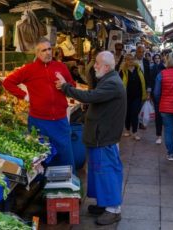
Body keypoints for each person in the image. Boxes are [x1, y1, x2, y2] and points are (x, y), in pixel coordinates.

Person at [55, 51, 126, 226]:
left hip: (105, 137)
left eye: (97, 64)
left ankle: (113, 210)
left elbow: (90, 96)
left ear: (107, 67)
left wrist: (66, 88)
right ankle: (104, 204)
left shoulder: (112, 84)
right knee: (99, 171)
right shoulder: (108, 79)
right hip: (99, 136)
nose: (94, 67)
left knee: (107, 172)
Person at [3, 37, 76, 171]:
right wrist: (24, 96)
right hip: (39, 123)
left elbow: (73, 86)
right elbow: (7, 82)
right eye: (43, 50)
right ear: (36, 53)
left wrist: (65, 84)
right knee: (42, 159)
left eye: (49, 49)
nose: (48, 53)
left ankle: (67, 188)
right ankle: (43, 188)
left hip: (60, 121)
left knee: (66, 157)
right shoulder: (29, 69)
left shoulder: (61, 67)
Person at [120, 53, 148, 140]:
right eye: (128, 59)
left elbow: (143, 82)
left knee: (134, 113)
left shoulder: (138, 69)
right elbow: (119, 84)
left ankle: (135, 132)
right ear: (125, 61)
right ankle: (127, 130)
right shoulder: (123, 71)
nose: (130, 61)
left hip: (137, 96)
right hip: (126, 96)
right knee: (127, 113)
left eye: (131, 59)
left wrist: (146, 93)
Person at [150, 53, 166, 144]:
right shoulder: (152, 68)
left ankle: (159, 135)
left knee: (160, 115)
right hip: (157, 94)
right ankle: (159, 135)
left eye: (158, 58)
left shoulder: (163, 68)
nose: (157, 59)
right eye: (155, 58)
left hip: (160, 94)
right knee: (159, 115)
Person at [135, 45, 151, 130]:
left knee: (142, 106)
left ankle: (141, 122)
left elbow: (148, 77)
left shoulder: (146, 61)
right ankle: (134, 122)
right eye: (139, 52)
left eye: (143, 52)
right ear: (136, 52)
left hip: (143, 87)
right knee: (134, 106)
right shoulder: (132, 61)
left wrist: (149, 91)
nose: (141, 54)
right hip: (134, 88)